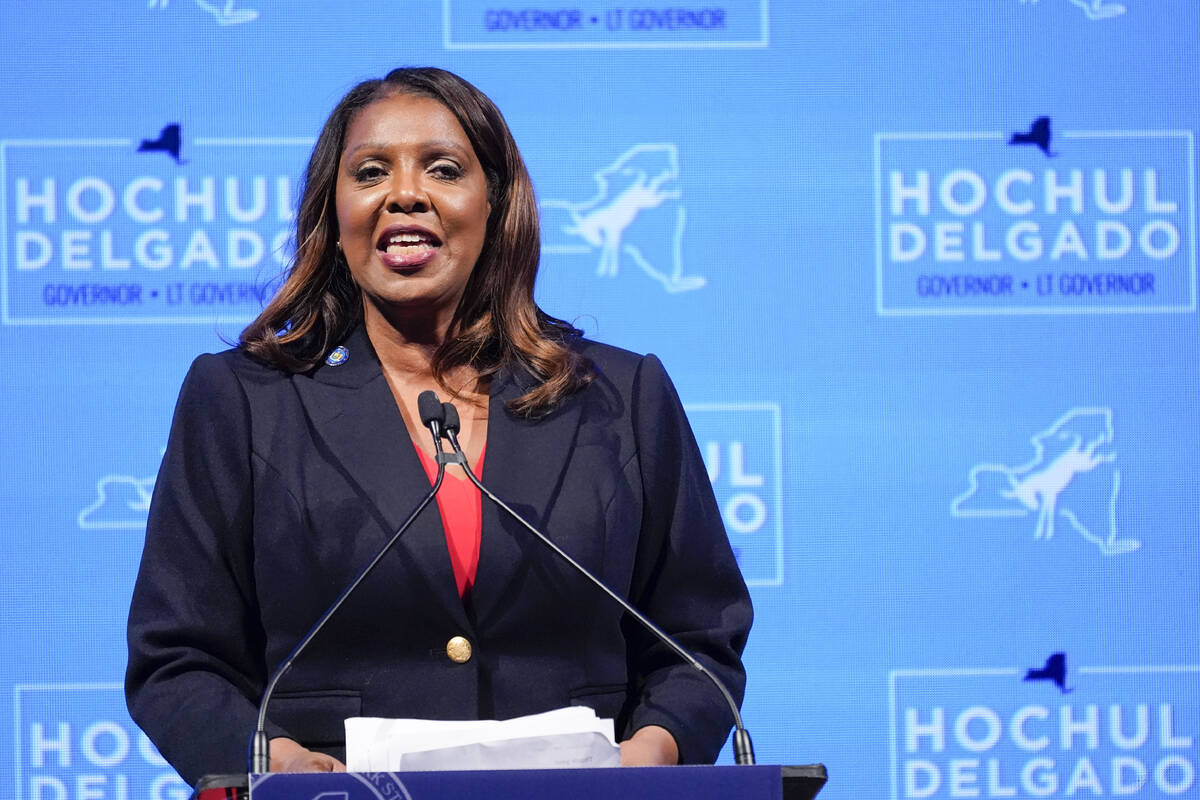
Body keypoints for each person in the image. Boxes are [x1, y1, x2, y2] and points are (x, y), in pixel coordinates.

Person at [125, 67, 752, 787]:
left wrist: (649, 756)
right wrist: (272, 761)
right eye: (369, 173)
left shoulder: (619, 396)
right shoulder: (242, 401)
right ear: (335, 219)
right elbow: (176, 658)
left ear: (496, 206)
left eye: (444, 169)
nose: (404, 194)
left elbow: (699, 637)